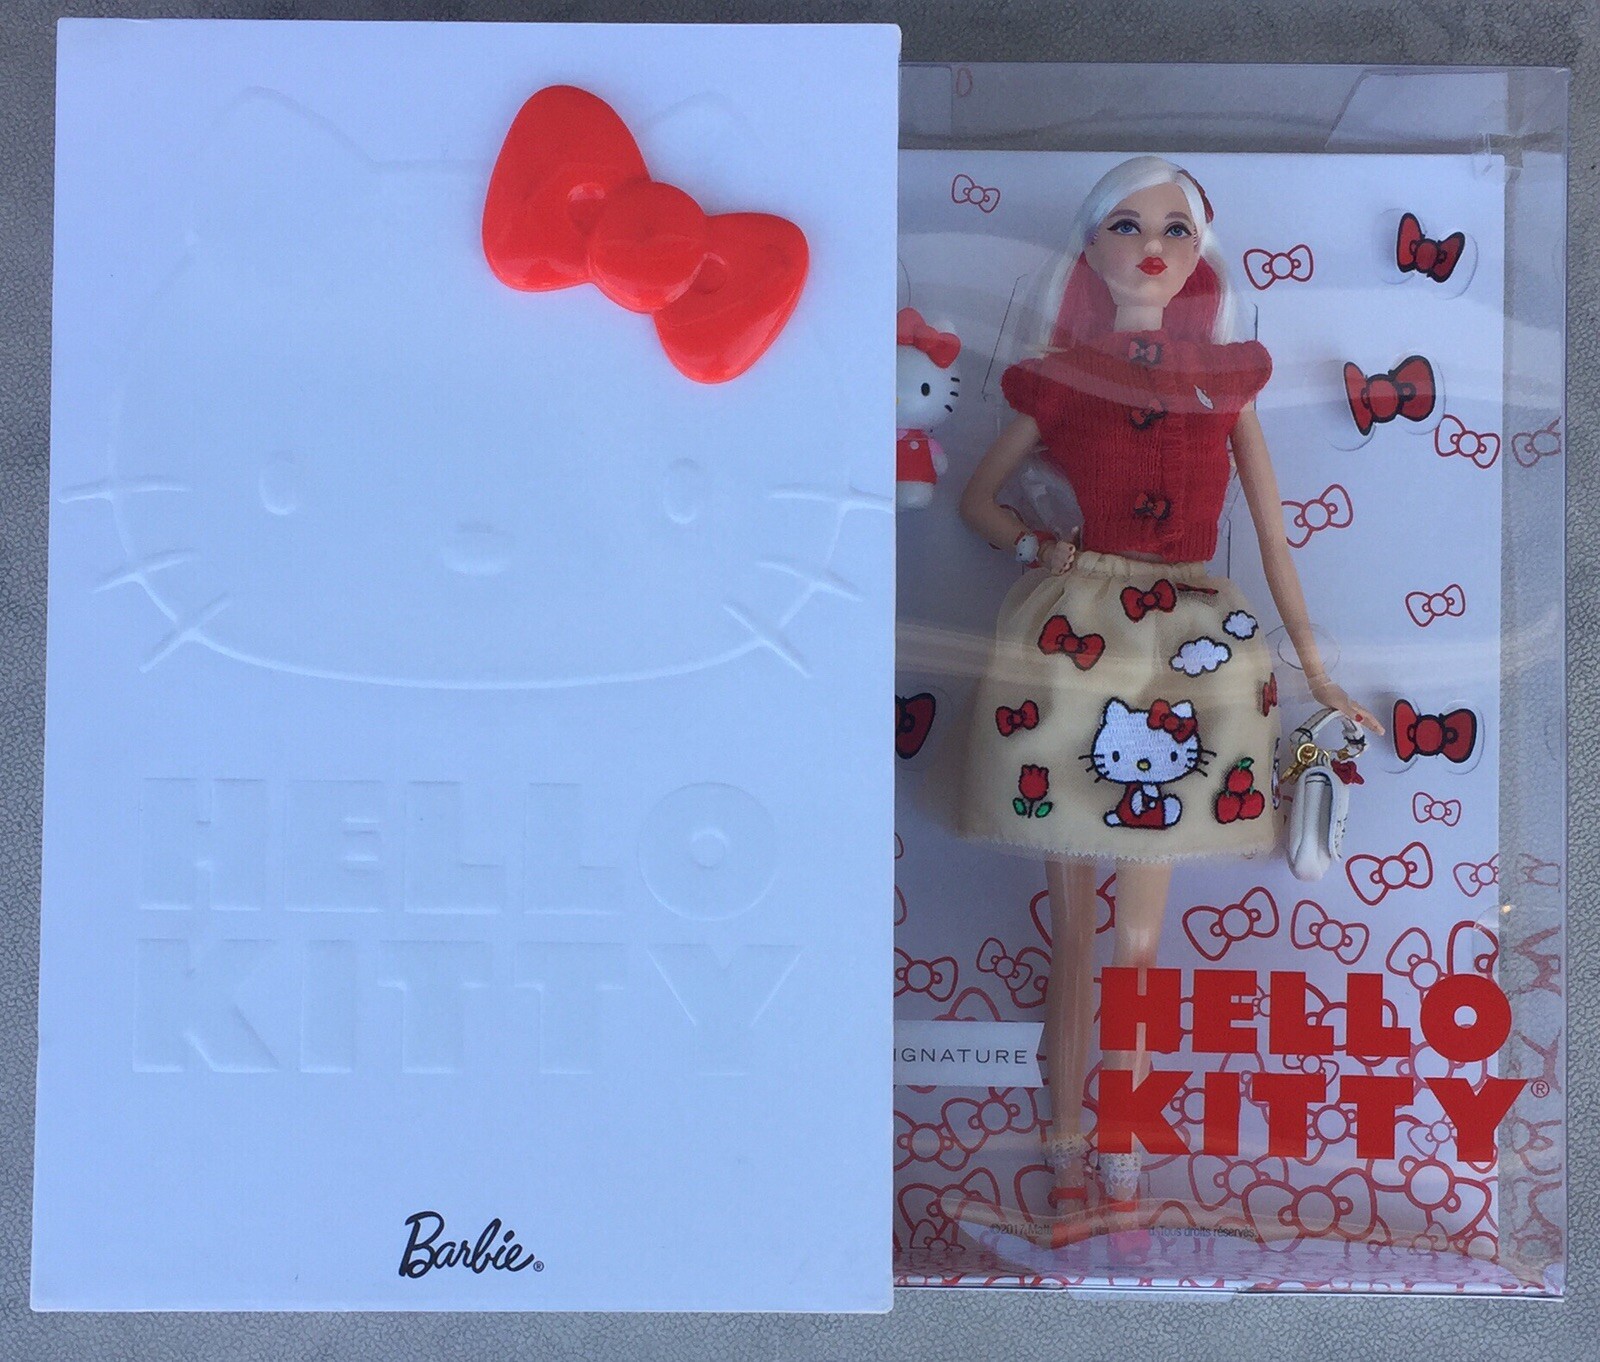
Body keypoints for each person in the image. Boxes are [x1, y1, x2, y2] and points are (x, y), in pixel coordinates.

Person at [954, 155, 1384, 1238]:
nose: (1151, 247)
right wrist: (1037, 545)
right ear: (1090, 246)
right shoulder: (1061, 379)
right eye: (1127, 226)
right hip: (1075, 640)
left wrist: (1317, 671)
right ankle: (1063, 1159)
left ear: (1201, 252)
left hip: (1192, 643)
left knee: (1139, 945)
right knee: (1074, 936)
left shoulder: (1222, 386)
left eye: (1175, 230)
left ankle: (1125, 1165)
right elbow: (978, 499)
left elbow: (1275, 544)